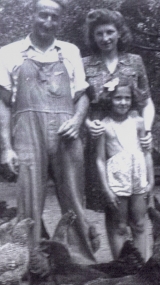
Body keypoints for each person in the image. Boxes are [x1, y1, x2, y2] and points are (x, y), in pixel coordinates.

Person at [0, 0, 98, 264]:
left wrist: (77, 120)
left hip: (67, 134)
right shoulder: (8, 53)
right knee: (28, 203)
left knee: (74, 199)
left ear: (59, 20)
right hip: (27, 135)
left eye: (54, 17)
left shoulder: (70, 51)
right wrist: (7, 147)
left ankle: (82, 264)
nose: (48, 22)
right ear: (32, 15)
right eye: (43, 15)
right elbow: (3, 103)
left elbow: (83, 95)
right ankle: (29, 269)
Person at [83, 8, 155, 212]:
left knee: (138, 202)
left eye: (109, 32)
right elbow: (78, 105)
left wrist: (147, 131)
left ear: (119, 33)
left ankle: (139, 244)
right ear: (93, 36)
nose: (105, 38)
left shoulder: (134, 62)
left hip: (132, 137)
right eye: (99, 33)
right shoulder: (85, 65)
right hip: (101, 141)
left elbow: (147, 102)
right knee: (113, 208)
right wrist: (88, 125)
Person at [96, 78, 154, 260]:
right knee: (120, 226)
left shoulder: (138, 122)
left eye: (127, 98)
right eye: (118, 98)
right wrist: (106, 189)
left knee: (139, 224)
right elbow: (99, 159)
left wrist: (151, 180)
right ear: (109, 100)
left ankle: (142, 268)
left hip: (138, 176)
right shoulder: (103, 125)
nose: (123, 102)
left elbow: (146, 153)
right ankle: (123, 269)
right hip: (117, 178)